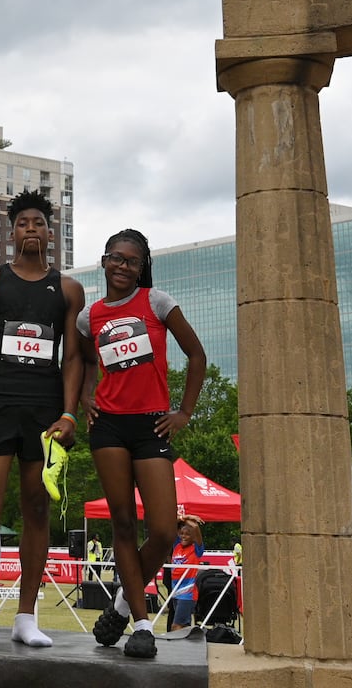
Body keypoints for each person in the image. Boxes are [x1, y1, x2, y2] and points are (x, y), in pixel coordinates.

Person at [0, 189, 87, 650]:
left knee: (38, 507)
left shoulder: (67, 289)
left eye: (38, 223)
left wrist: (69, 413)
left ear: (50, 232)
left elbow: (72, 359)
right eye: (22, 222)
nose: (31, 228)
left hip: (44, 410)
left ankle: (27, 616)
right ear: (12, 233)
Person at [80, 228, 207, 659]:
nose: (122, 266)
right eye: (115, 257)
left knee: (164, 530)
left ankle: (119, 603)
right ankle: (139, 623)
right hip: (109, 428)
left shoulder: (157, 302)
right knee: (121, 525)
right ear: (104, 260)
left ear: (142, 268)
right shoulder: (90, 315)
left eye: (131, 261)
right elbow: (80, 360)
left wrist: (184, 412)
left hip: (152, 427)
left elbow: (197, 355)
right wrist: (83, 395)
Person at [166, 515, 205, 630]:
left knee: (176, 626)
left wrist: (189, 520)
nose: (184, 536)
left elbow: (195, 527)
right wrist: (186, 517)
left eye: (188, 534)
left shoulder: (196, 549)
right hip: (176, 591)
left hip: (187, 594)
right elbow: (172, 523)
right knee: (184, 627)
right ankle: (188, 647)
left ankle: (176, 648)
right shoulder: (177, 545)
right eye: (182, 534)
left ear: (193, 537)